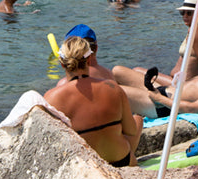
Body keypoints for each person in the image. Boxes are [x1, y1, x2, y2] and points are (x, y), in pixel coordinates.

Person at [45, 36, 140, 167]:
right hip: (121, 160)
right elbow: (131, 131)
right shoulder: (113, 87)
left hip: (87, 166)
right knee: (138, 119)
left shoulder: (52, 97)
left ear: (62, 64)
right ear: (89, 59)